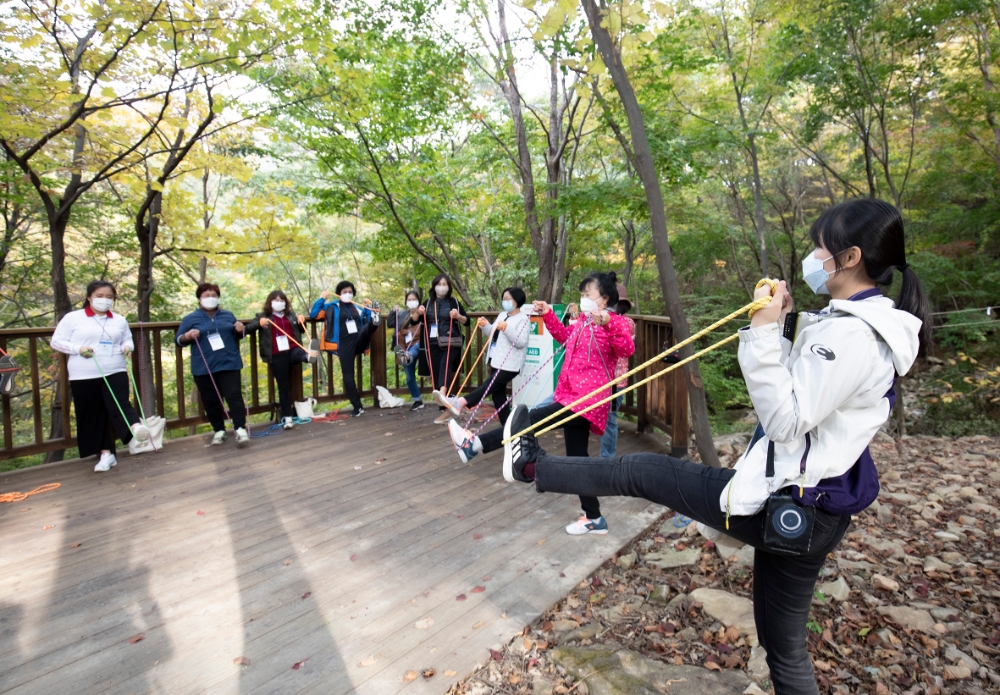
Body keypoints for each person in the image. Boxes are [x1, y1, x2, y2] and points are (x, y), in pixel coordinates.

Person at [493, 199, 929, 695]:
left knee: (640, 472)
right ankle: (533, 466)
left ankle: (532, 466)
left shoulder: (854, 334)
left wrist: (762, 330)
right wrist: (781, 324)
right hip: (812, 504)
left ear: (849, 258)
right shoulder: (849, 323)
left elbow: (785, 419)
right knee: (784, 651)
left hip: (796, 501)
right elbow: (803, 396)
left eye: (820, 248)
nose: (813, 257)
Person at [448, 271, 635, 535]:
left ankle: (475, 444)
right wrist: (547, 314)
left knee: (530, 420)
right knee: (578, 460)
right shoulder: (583, 322)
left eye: (587, 294)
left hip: (587, 401)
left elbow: (627, 349)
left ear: (604, 299)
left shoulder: (617, 323)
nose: (583, 298)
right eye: (582, 294)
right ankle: (594, 518)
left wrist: (607, 321)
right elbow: (564, 338)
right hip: (570, 395)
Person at [51, 281, 150, 472]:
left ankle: (136, 427)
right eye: (100, 296)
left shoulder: (119, 320)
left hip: (115, 368)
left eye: (109, 297)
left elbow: (127, 339)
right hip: (83, 373)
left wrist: (127, 347)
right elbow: (56, 341)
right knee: (93, 413)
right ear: (89, 297)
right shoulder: (73, 318)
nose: (105, 300)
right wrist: (78, 348)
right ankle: (106, 454)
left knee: (119, 402)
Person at [435, 287, 530, 426]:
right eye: (503, 299)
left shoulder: (523, 319)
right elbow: (492, 333)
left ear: (517, 300)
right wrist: (485, 325)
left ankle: (460, 402)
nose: (504, 301)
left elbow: (521, 342)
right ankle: (509, 428)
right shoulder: (502, 315)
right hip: (496, 361)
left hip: (511, 365)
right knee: (498, 398)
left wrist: (506, 328)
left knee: (487, 385)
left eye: (508, 299)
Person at [176, 283, 250, 446]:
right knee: (210, 400)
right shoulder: (190, 319)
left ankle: (240, 428)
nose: (210, 298)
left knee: (234, 396)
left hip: (229, 362)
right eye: (206, 295)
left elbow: (239, 334)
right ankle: (219, 430)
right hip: (204, 366)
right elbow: (179, 340)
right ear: (199, 299)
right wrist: (187, 336)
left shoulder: (228, 315)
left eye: (213, 295)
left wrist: (240, 329)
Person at [245, 291, 318, 429]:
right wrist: (259, 323)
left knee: (299, 353)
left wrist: (302, 321)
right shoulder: (262, 316)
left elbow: (301, 330)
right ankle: (288, 418)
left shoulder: (290, 315)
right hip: (276, 354)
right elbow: (247, 329)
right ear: (270, 302)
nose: (279, 302)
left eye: (281, 300)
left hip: (292, 348)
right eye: (276, 300)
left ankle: (308, 356)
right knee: (283, 387)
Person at [310, 281, 380, 417]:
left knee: (367, 328)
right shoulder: (332, 306)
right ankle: (357, 407)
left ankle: (375, 319)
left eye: (350, 292)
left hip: (358, 339)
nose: (347, 294)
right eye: (344, 292)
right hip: (344, 344)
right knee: (348, 377)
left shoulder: (358, 307)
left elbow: (365, 319)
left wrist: (368, 309)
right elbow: (314, 314)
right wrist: (322, 298)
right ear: (339, 293)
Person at [417, 274, 468, 424]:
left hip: (451, 340)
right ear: (434, 286)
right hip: (432, 342)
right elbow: (414, 320)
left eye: (444, 284)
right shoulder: (427, 303)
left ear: (448, 287)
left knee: (446, 364)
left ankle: (443, 393)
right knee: (436, 370)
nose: (441, 287)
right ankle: (444, 405)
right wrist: (417, 312)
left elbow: (467, 321)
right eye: (439, 284)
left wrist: (458, 316)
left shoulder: (454, 302)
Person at [599, 284, 636, 458]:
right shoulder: (604, 320)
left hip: (616, 380)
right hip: (601, 379)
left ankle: (608, 459)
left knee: (609, 419)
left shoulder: (626, 323)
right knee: (606, 418)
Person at [386, 289, 425, 411]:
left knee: (415, 349)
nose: (412, 301)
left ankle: (407, 356)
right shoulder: (402, 314)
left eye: (414, 299)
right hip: (405, 345)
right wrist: (393, 312)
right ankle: (417, 400)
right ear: (406, 302)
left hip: (420, 343)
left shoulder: (423, 312)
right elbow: (390, 323)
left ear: (418, 300)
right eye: (409, 299)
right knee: (409, 377)